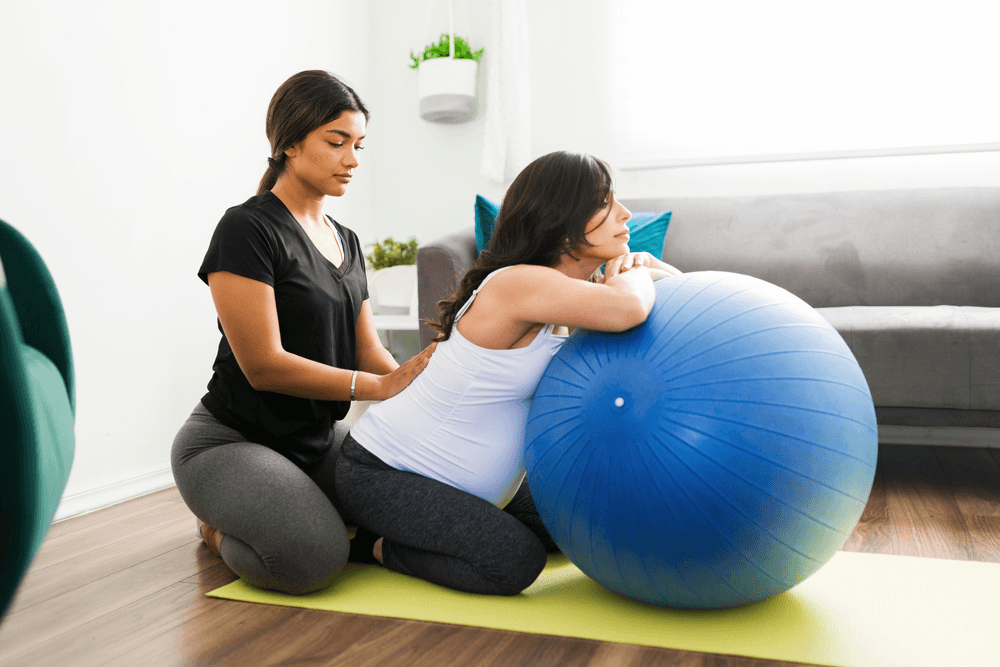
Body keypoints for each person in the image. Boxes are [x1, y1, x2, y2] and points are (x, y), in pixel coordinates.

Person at [335, 151, 682, 596]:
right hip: (386, 473)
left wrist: (644, 265)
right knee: (514, 562)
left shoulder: (569, 295)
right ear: (564, 218)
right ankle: (380, 547)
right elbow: (631, 307)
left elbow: (680, 298)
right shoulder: (517, 284)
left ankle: (444, 529)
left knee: (578, 524)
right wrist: (635, 272)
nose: (625, 213)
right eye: (605, 202)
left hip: (476, 488)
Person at [170, 70, 437, 595]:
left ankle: (320, 521)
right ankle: (215, 527)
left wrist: (423, 383)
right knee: (313, 560)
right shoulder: (247, 228)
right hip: (231, 442)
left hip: (315, 441)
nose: (352, 159)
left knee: (415, 511)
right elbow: (263, 365)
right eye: (336, 142)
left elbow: (368, 350)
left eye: (358, 145)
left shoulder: (349, 240)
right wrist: (376, 388)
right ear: (289, 144)